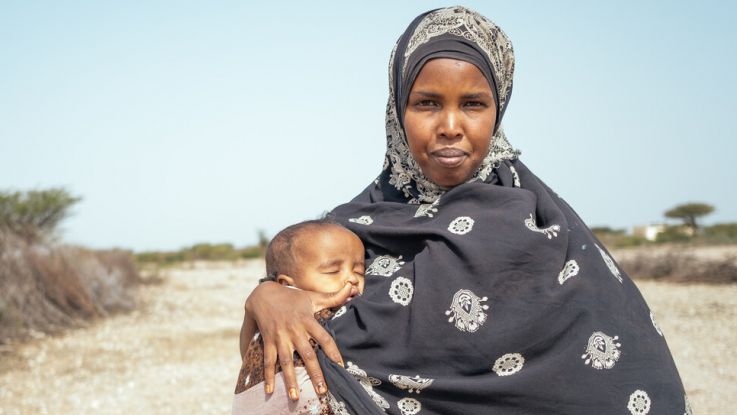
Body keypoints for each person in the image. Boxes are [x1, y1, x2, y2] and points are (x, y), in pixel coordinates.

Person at [242, 6, 690, 415]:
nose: (451, 127)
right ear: (398, 110)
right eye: (427, 103)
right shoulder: (354, 224)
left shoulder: (544, 231)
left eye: (473, 104)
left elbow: (629, 377)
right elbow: (287, 340)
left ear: (499, 110)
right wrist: (266, 295)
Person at [233, 219, 365, 414]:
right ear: (286, 286)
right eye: (333, 271)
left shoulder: (348, 312)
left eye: (359, 271)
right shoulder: (277, 319)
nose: (352, 278)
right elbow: (248, 352)